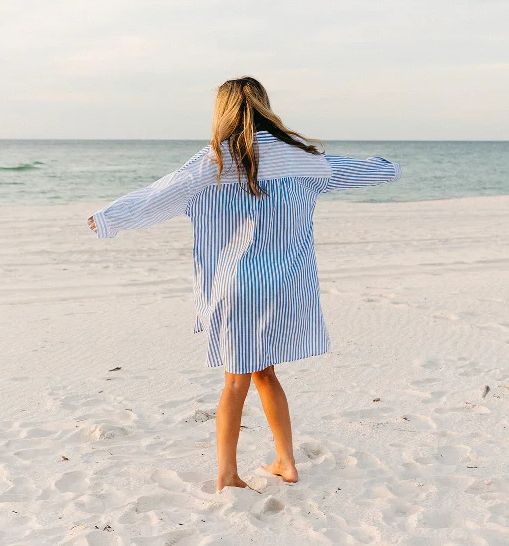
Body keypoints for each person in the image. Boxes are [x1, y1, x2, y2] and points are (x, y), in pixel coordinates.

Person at [87, 76, 402, 491]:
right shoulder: (302, 158)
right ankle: (286, 463)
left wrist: (110, 217)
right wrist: (390, 167)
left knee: (235, 381)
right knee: (264, 374)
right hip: (286, 285)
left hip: (237, 287)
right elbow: (362, 171)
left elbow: (157, 196)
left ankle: (227, 475)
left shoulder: (212, 162)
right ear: (264, 107)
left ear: (223, 112)